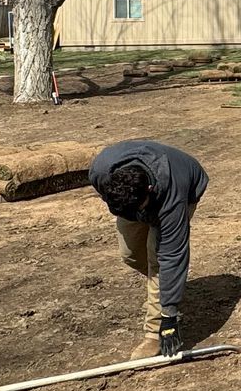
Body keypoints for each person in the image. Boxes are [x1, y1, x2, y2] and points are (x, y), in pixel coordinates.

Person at [87, 139, 209, 361]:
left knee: (159, 263)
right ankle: (166, 289)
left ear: (149, 191)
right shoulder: (101, 171)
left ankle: (153, 333)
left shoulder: (173, 198)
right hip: (134, 201)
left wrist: (169, 317)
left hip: (181, 188)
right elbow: (123, 204)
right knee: (130, 255)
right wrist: (130, 211)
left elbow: (172, 256)